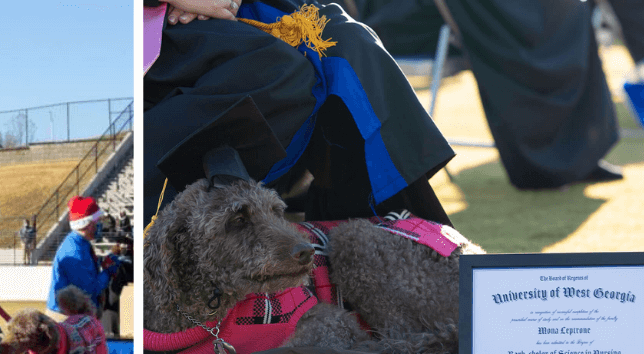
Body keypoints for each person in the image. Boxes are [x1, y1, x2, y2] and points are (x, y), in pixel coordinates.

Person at [144, 0, 455, 226]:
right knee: (279, 72)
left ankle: (397, 228)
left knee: (347, 40)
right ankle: (206, 224)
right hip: (149, 25)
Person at [349, 0, 625, 190]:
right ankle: (545, 162)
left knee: (569, 10)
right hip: (408, 19)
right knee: (526, 24)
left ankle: (580, 154)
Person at [48, 196, 119, 320]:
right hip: (65, 318)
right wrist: (108, 271)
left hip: (71, 314)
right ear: (88, 224)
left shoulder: (80, 244)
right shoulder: (74, 251)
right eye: (97, 221)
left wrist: (103, 263)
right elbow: (89, 289)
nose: (100, 225)